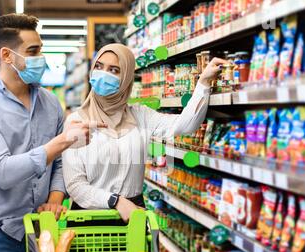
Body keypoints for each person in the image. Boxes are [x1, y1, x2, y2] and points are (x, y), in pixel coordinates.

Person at [0, 14, 104, 252]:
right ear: (6, 55)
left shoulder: (50, 102)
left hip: (40, 231)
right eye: (33, 51)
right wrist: (61, 141)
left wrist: (54, 199)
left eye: (41, 49)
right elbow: (2, 171)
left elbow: (61, 161)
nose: (42, 57)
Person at [62, 44, 226, 222]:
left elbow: (185, 125)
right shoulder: (76, 121)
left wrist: (203, 83)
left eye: (114, 70)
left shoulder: (141, 116)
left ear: (126, 79)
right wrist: (115, 201)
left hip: (133, 216)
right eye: (99, 66)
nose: (103, 74)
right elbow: (75, 185)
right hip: (89, 219)